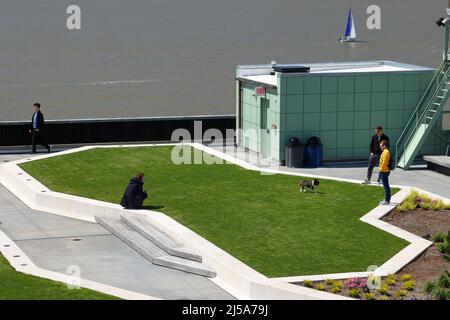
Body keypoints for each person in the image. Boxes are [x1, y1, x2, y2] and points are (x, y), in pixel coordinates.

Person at [378, 140, 391, 205]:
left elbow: (384, 162)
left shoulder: (386, 152)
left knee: (386, 186)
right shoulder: (385, 151)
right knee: (385, 186)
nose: (380, 147)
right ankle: (386, 199)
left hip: (384, 171)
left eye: (381, 146)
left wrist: (381, 168)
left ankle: (387, 200)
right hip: (384, 170)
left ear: (384, 145)